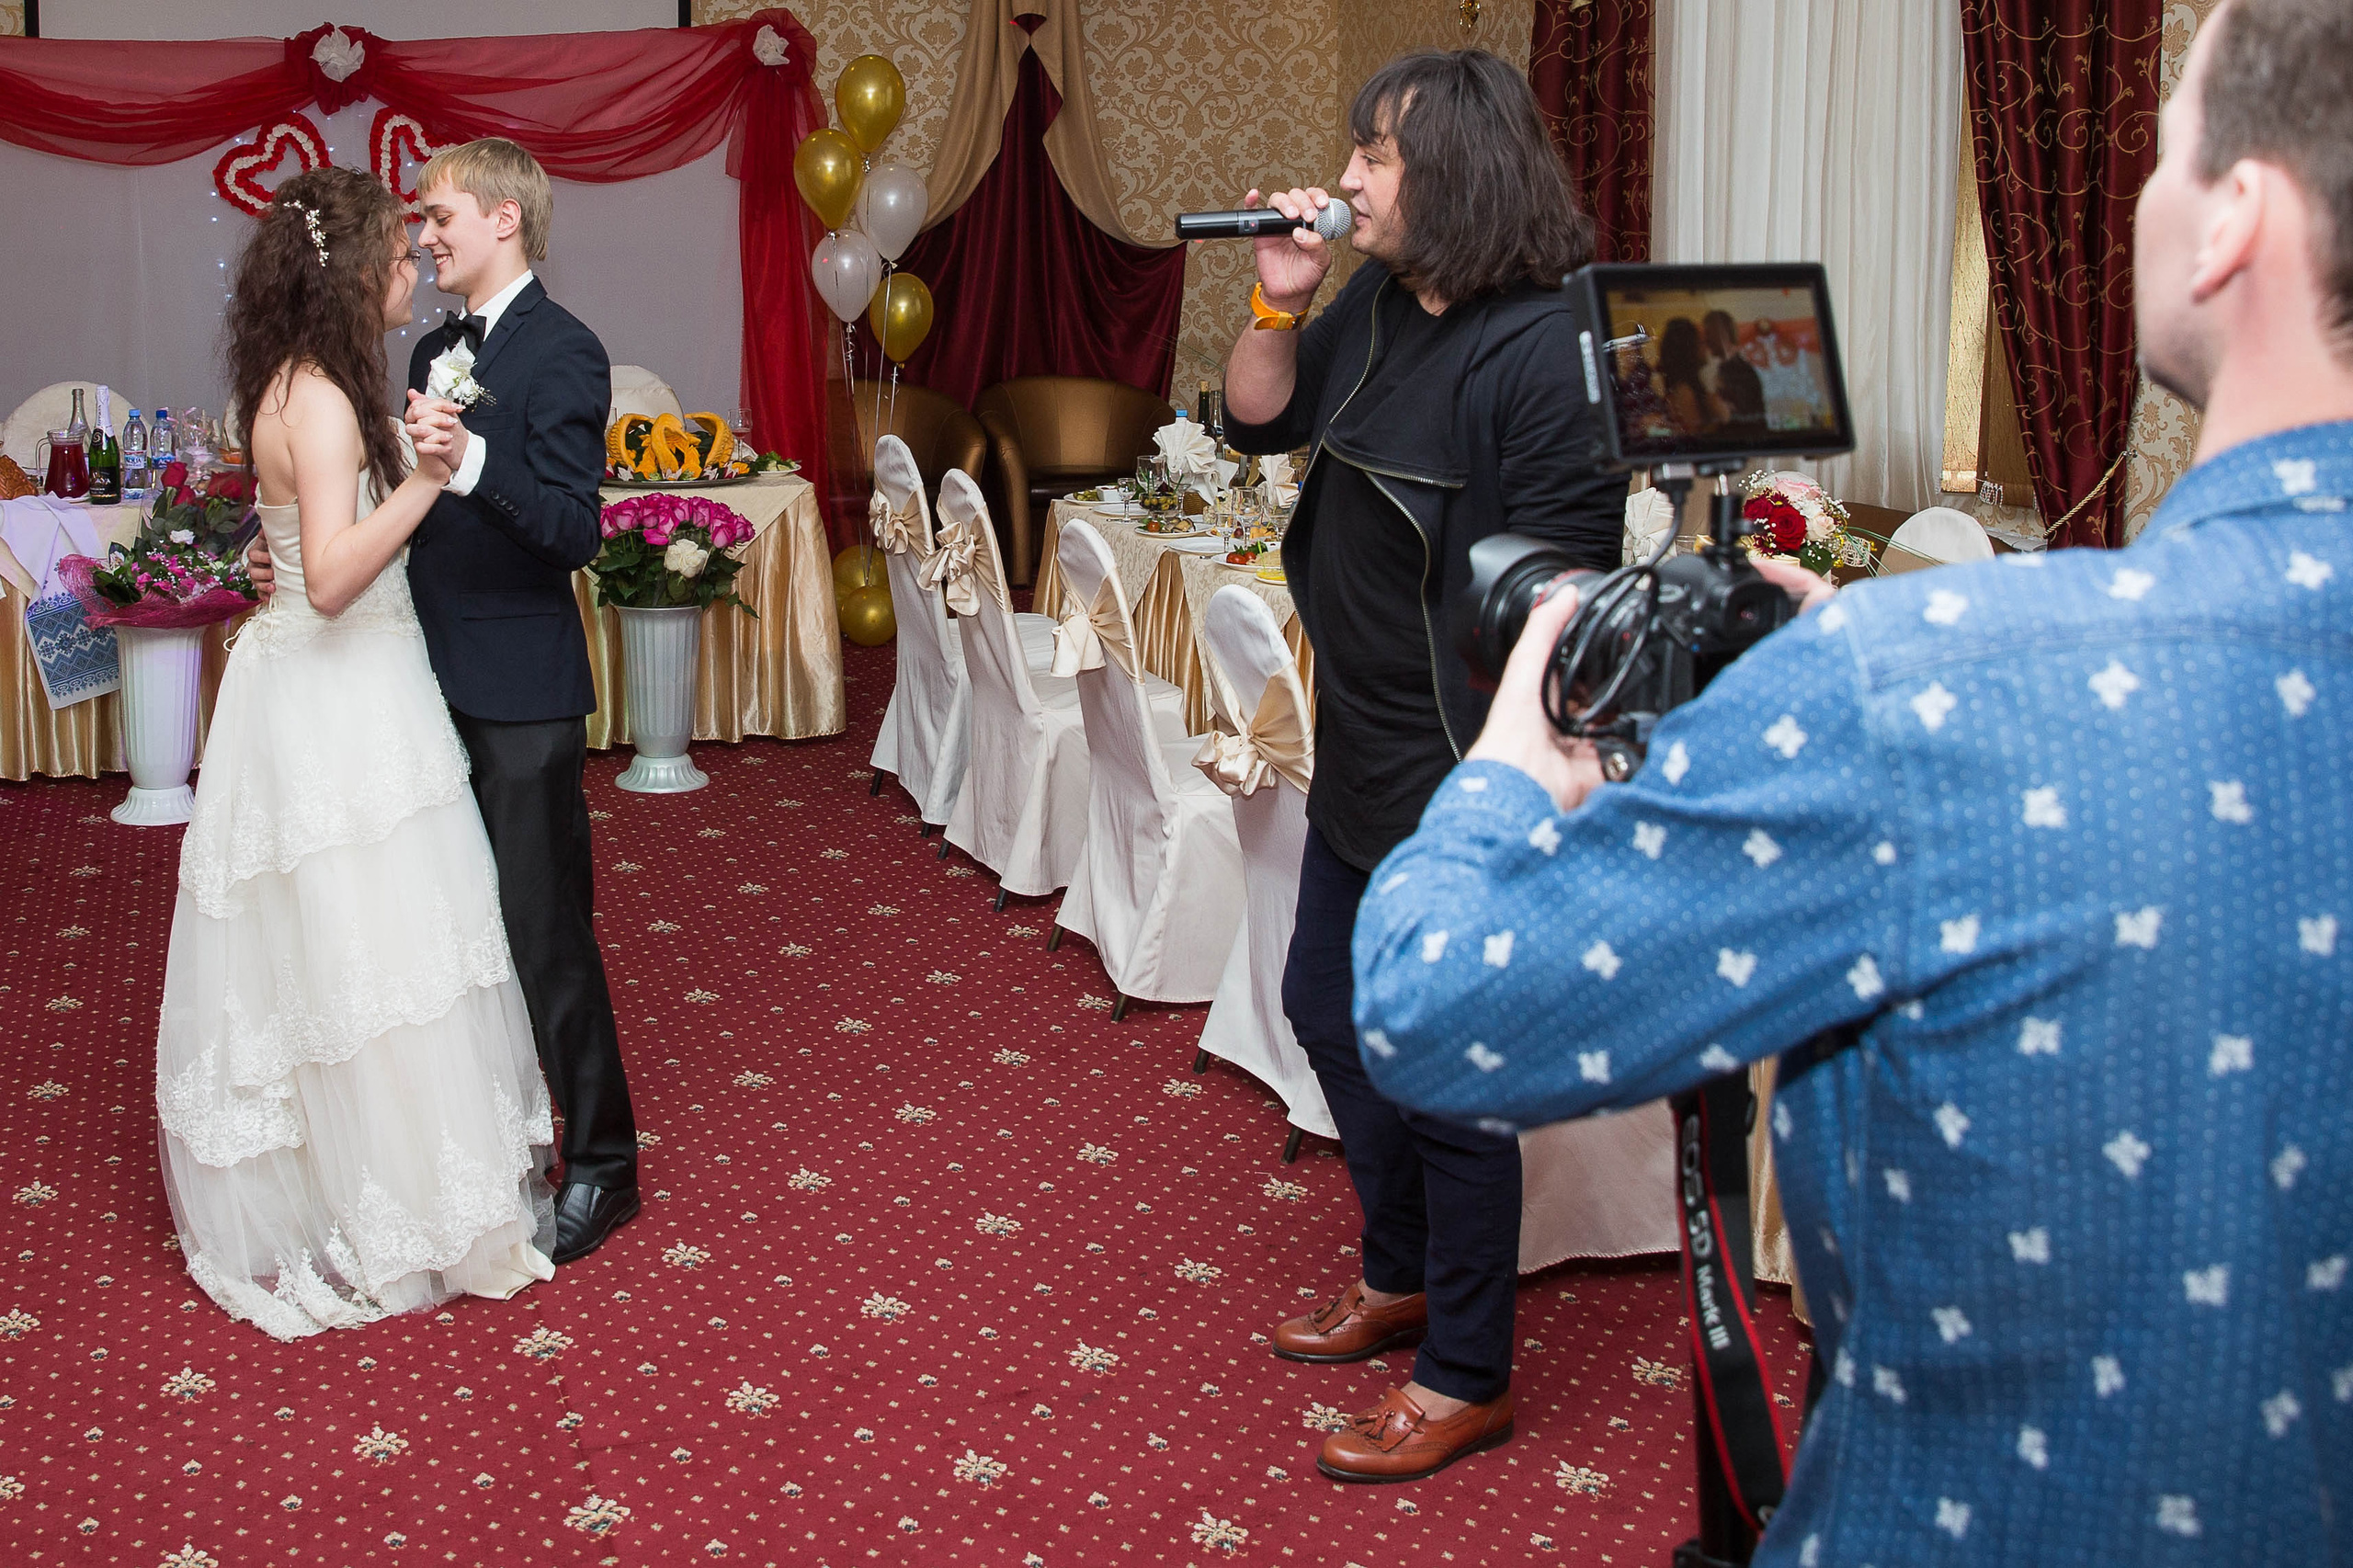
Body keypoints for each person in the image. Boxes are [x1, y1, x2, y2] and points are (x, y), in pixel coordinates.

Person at [1351, 0, 2353, 1559]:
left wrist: (1507, 758)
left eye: (2163, 147)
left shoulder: (1930, 683)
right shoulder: (1920, 667)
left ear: (2237, 221)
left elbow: (1432, 1000)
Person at [1219, 48, 1628, 1483]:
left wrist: (1508, 800)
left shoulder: (1547, 350)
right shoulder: (1383, 305)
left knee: (1444, 1062)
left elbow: (1568, 598)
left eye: (1374, 157)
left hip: (1467, 763)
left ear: (1449, 170)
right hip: (1364, 736)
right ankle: (1400, 1269)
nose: (1344, 179)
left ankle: (1467, 1369)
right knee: (1325, 1007)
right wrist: (1280, 300)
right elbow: (1256, 417)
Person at [159, 167, 557, 1338]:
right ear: (349, 274)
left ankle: (360, 1180)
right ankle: (402, 1202)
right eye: (395, 253)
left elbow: (295, 549)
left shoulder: (288, 385)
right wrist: (430, 478)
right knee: (382, 952)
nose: (411, 267)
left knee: (337, 957)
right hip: (344, 696)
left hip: (309, 694)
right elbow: (330, 581)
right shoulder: (326, 402)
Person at [248, 139, 639, 1264]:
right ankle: (492, 1138)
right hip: (415, 689)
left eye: (440, 216)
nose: (422, 236)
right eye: (416, 224)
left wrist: (469, 467)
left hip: (519, 693)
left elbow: (571, 528)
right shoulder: (430, 345)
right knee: (456, 937)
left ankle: (604, 1162)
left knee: (544, 928)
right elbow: (383, 518)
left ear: (505, 220)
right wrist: (296, 559)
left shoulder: (568, 350)